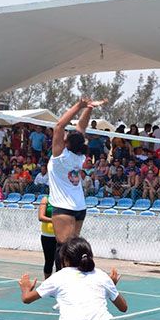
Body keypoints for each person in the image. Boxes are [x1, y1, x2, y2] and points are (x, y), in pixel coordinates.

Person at [19, 237, 129, 320]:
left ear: (65, 260)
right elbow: (123, 308)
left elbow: (27, 299)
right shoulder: (101, 275)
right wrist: (111, 287)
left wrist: (25, 288)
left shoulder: (59, 276)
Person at [48, 98, 105, 270]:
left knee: (64, 250)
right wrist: (89, 108)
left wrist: (79, 106)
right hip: (79, 206)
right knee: (71, 249)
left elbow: (59, 126)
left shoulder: (60, 157)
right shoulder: (79, 157)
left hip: (64, 208)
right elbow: (82, 127)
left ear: (66, 143)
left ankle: (63, 286)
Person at [38, 196, 56, 280]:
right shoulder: (46, 199)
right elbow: (41, 217)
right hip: (47, 236)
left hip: (62, 235)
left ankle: (59, 284)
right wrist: (55, 220)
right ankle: (47, 283)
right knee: (49, 261)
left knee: (61, 262)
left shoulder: (64, 199)